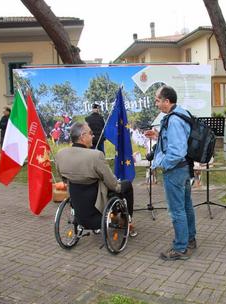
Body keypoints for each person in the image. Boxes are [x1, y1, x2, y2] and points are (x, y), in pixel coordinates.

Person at [55, 122, 137, 236]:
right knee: (126, 185)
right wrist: (118, 186)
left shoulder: (60, 154)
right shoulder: (95, 155)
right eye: (90, 133)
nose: (93, 136)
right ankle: (126, 220)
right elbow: (112, 183)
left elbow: (63, 178)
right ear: (83, 136)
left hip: (76, 196)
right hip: (97, 201)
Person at [144, 85, 196, 261]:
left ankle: (180, 248)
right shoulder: (182, 113)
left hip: (175, 170)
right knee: (186, 206)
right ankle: (190, 240)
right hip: (184, 168)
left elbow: (176, 152)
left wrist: (161, 163)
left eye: (158, 100)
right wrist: (158, 137)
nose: (156, 103)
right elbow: (177, 141)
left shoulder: (173, 120)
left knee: (177, 210)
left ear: (167, 101)